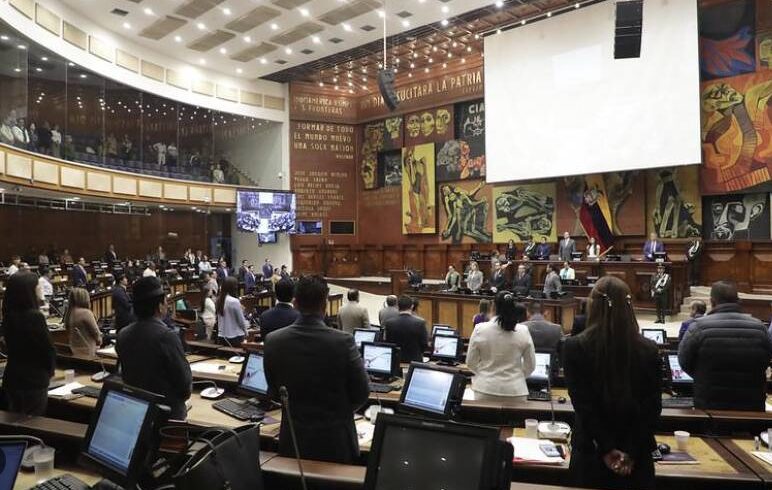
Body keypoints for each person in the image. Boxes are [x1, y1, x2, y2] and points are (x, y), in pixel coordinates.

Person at [564, 276, 661, 490]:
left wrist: (607, 449)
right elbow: (652, 409)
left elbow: (584, 407)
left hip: (591, 453)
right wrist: (631, 452)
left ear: (593, 305)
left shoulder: (574, 348)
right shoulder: (649, 350)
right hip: (635, 460)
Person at [264, 275, 370, 464]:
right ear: (325, 305)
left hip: (293, 440)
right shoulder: (343, 342)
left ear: (295, 303)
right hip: (335, 441)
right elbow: (362, 393)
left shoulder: (273, 341)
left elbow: (273, 391)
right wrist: (339, 412)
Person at [679, 281, 772, 411]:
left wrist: (704, 376)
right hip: (751, 404)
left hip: (710, 404)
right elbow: (767, 360)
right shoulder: (760, 328)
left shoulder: (698, 327)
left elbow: (684, 361)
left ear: (712, 302)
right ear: (738, 301)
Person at [116, 276, 192, 420]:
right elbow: (185, 388)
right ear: (159, 306)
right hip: (166, 418)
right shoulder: (167, 336)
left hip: (136, 412)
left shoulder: (122, 335)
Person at [1, 272, 56, 415]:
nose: (40, 289)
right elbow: (48, 350)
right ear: (29, 290)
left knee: (15, 423)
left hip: (12, 378)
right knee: (32, 424)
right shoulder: (34, 317)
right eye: (38, 286)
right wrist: (49, 372)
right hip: (34, 381)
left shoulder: (8, 314)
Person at [466, 292, 536, 400]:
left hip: (485, 389)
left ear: (493, 306)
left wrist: (485, 374)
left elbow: (470, 362)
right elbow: (530, 365)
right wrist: (516, 377)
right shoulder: (523, 330)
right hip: (516, 391)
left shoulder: (480, 329)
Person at [383, 295, 428, 363]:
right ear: (412, 306)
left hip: (396, 361)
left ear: (397, 306)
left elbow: (387, 342)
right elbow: (424, 344)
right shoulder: (420, 323)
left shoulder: (389, 323)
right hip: (414, 362)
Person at [64, 288, 102, 356]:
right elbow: (96, 332)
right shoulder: (86, 313)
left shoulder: (69, 312)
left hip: (74, 349)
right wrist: (100, 341)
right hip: (87, 349)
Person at [216, 276, 249, 347]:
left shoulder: (219, 300)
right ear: (234, 287)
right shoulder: (234, 301)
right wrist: (246, 332)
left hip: (222, 336)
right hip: (235, 336)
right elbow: (241, 321)